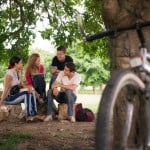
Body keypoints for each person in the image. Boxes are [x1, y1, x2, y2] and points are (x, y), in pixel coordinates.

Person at [0, 56, 40, 122]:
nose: (22, 64)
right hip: (10, 98)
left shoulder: (19, 72)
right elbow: (6, 89)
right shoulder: (9, 74)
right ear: (16, 64)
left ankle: (34, 114)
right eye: (21, 63)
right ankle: (28, 116)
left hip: (17, 95)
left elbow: (22, 85)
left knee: (31, 91)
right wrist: (1, 101)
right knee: (27, 94)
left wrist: (30, 88)